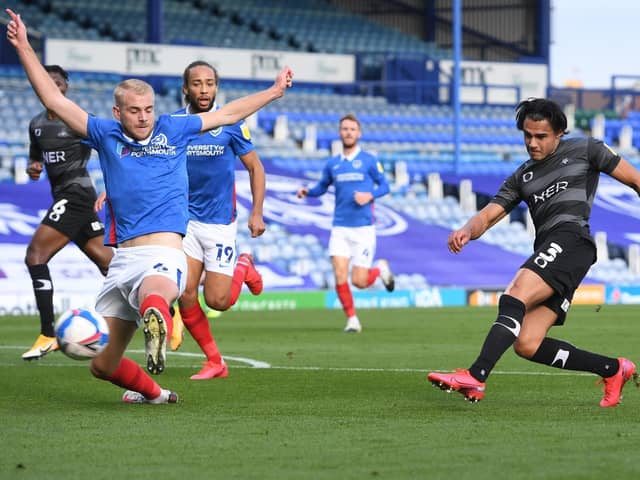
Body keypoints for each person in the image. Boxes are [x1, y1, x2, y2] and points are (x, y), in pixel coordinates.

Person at [6, 8, 292, 404]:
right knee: (101, 365)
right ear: (117, 112)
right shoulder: (104, 133)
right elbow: (52, 97)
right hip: (121, 260)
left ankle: (155, 315)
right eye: (134, 111)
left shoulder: (174, 128)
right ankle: (157, 393)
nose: (143, 117)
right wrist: (23, 47)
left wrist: (274, 91)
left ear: (155, 108)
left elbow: (229, 112)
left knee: (156, 294)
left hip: (164, 252)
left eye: (148, 109)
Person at [428, 98, 640, 407]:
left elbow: (635, 180)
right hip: (554, 248)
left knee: (515, 293)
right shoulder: (522, 177)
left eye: (541, 136)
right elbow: (487, 216)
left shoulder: (587, 149)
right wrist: (466, 231)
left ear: (559, 133)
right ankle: (613, 369)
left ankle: (476, 377)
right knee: (527, 343)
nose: (532, 143)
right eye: (527, 135)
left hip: (572, 240)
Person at [172, 60, 266, 380]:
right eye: (197, 83)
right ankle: (215, 361)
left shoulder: (232, 124)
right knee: (184, 293)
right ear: (186, 88)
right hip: (186, 223)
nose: (203, 89)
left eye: (209, 83)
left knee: (218, 301)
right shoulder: (174, 125)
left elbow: (255, 168)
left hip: (220, 223)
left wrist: (256, 212)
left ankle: (244, 266)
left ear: (216, 87)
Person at [22, 64, 114, 361]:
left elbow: (110, 150)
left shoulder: (78, 122)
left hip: (76, 195)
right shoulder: (36, 124)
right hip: (68, 199)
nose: (53, 87)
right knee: (109, 265)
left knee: (36, 255)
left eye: (58, 83)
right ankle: (166, 310)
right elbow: (36, 155)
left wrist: (112, 187)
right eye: (46, 82)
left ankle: (48, 333)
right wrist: (34, 166)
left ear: (65, 88)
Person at [296, 113, 395, 333]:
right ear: (340, 133)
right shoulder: (333, 164)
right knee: (340, 275)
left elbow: (385, 186)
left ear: (359, 133)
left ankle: (380, 269)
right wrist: (308, 191)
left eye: (352, 129)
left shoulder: (369, 160)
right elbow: (322, 186)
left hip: (363, 229)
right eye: (344, 129)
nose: (348, 132)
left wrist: (370, 196)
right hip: (340, 227)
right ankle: (352, 320)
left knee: (359, 281)